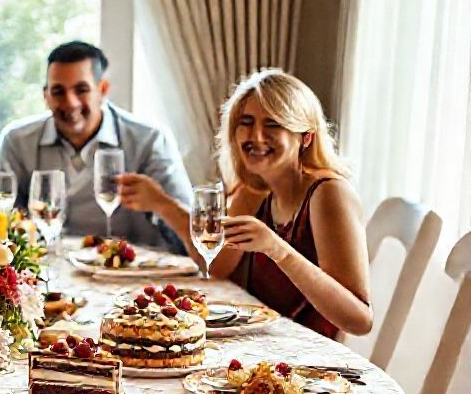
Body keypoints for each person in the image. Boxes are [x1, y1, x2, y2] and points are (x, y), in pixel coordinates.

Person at [117, 68, 372, 338]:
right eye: (246, 122)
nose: (256, 136)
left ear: (305, 137)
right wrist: (164, 205)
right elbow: (215, 266)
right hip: (257, 351)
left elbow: (359, 320)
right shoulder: (255, 189)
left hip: (308, 365)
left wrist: (279, 250)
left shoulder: (328, 194)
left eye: (273, 124)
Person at [0, 41, 192, 252]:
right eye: (58, 91)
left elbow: (194, 234)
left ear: (102, 89)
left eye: (81, 90)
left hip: (132, 276)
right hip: (47, 271)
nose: (70, 102)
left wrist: (161, 203)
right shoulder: (17, 140)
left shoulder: (150, 140)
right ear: (45, 96)